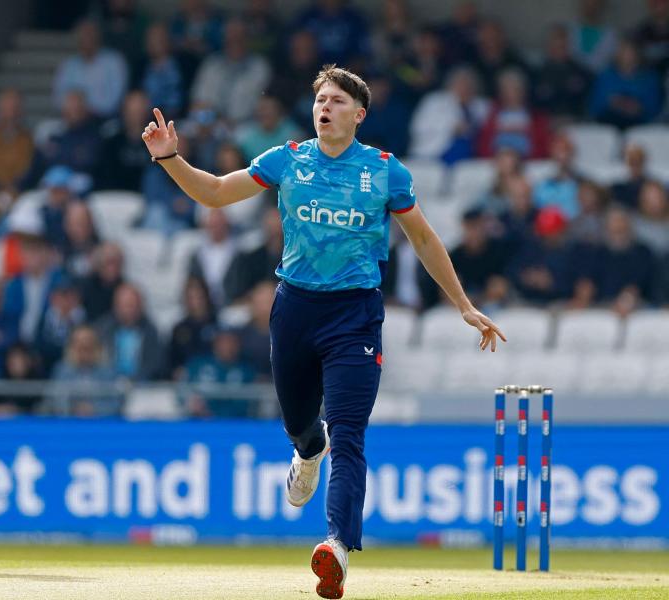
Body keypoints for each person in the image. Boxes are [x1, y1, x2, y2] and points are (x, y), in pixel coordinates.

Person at [141, 65, 505, 599]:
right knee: (300, 423)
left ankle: (335, 547)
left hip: (355, 315)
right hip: (294, 309)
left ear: (358, 114)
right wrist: (169, 158)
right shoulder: (288, 159)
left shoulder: (384, 171)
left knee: (350, 433)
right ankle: (308, 450)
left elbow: (425, 241)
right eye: (320, 100)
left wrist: (464, 305)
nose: (324, 108)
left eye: (336, 101)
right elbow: (217, 193)